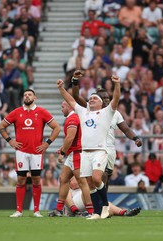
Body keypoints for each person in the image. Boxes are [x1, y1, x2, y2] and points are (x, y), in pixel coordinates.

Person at [57, 74, 121, 220]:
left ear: (100, 103)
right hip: (85, 153)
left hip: (100, 151)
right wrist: (61, 88)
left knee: (97, 178)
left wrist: (117, 84)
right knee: (90, 184)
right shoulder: (83, 112)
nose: (91, 99)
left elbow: (116, 99)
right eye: (90, 98)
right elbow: (70, 99)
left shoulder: (107, 112)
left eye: (95, 98)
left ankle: (105, 205)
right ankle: (96, 213)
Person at [71, 70, 142, 190]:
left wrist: (135, 138)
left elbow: (126, 129)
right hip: (94, 148)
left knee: (105, 178)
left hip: (109, 149)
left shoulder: (115, 113)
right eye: (103, 98)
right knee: (95, 178)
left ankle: (103, 204)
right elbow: (76, 96)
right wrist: (75, 81)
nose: (106, 100)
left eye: (107, 98)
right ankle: (97, 204)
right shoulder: (89, 108)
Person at [0, 89, 61, 218]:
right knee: (21, 180)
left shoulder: (41, 112)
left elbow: (57, 127)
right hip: (21, 151)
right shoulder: (16, 112)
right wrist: (10, 141)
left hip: (36, 152)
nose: (27, 96)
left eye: (29, 94)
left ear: (35, 97)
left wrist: (47, 143)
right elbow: (1, 127)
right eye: (25, 95)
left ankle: (36, 210)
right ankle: (19, 210)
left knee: (36, 180)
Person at [48, 101, 93, 217]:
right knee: (63, 179)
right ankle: (58, 210)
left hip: (76, 154)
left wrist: (63, 152)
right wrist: (64, 148)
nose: (61, 109)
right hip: (73, 153)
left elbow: (70, 137)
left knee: (82, 182)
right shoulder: (72, 117)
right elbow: (71, 139)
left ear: (68, 106)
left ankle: (91, 212)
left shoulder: (72, 118)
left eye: (62, 106)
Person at [64, 177, 141, 217]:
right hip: (74, 208)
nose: (79, 180)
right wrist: (74, 209)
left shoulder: (83, 183)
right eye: (76, 179)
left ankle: (123, 212)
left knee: (106, 206)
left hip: (86, 206)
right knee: (87, 191)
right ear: (70, 182)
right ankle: (87, 212)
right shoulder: (68, 187)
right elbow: (67, 199)